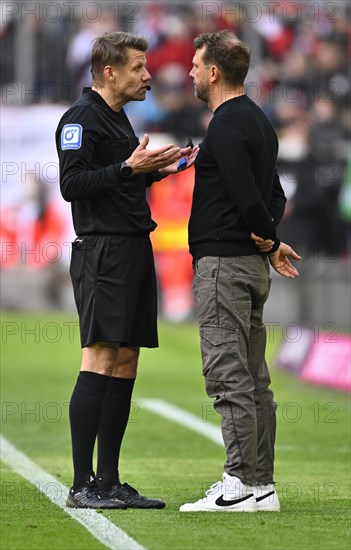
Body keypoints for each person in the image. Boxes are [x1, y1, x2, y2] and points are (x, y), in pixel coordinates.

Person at [55, 31, 197, 509]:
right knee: (98, 356)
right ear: (109, 72)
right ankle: (81, 484)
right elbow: (72, 184)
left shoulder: (119, 120)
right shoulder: (80, 119)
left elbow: (122, 177)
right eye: (139, 67)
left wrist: (159, 168)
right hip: (103, 252)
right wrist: (128, 170)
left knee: (127, 360)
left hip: (135, 247)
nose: (148, 76)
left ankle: (110, 481)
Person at [180, 30, 301, 513]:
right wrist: (268, 238)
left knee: (228, 375)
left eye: (195, 64)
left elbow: (246, 195)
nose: (189, 72)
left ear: (213, 71)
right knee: (255, 379)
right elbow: (275, 195)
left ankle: (235, 487)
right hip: (250, 268)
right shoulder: (259, 121)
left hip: (223, 267)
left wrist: (268, 238)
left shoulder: (226, 126)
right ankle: (262, 485)